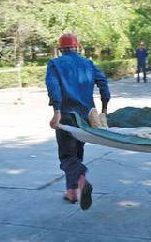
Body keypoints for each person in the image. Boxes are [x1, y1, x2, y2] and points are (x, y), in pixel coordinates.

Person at [45, 34, 110, 211]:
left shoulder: (55, 64)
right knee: (77, 152)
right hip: (85, 116)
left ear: (60, 48)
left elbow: (53, 86)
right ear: (77, 47)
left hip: (66, 114)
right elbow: (103, 82)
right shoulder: (88, 63)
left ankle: (81, 178)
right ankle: (72, 192)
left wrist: (56, 111)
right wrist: (104, 108)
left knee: (67, 156)